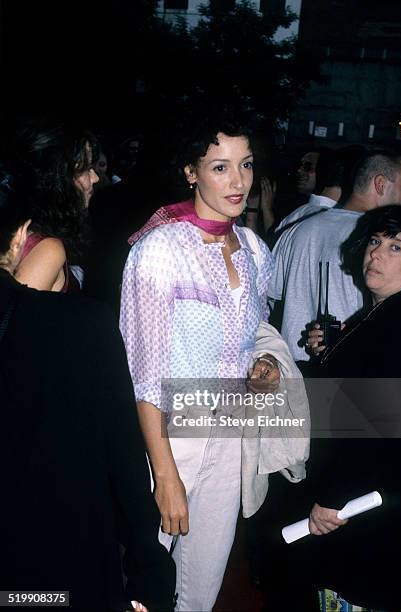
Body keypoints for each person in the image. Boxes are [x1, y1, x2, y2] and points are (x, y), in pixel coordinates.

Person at [119, 116, 284, 611]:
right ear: (191, 173)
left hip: (231, 436)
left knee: (202, 589)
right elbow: (144, 375)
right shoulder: (159, 249)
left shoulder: (256, 251)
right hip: (170, 439)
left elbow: (253, 334)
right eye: (220, 167)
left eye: (246, 165)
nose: (238, 182)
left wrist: (264, 365)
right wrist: (166, 475)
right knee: (139, 588)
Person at [0, 172, 175, 611]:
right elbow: (123, 458)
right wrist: (149, 572)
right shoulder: (85, 326)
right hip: (62, 551)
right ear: (23, 241)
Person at [260, 205, 401, 611]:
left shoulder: (399, 324)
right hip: (368, 496)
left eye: (395, 247)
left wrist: (334, 497)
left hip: (366, 504)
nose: (376, 253)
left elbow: (378, 426)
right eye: (376, 242)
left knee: (352, 591)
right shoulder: (381, 314)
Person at [268, 150, 401, 367]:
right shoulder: (361, 235)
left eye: (394, 247)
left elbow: (270, 297)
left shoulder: (296, 228)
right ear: (381, 184)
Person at [11, 121, 100, 291]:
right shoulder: (48, 250)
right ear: (58, 178)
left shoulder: (21, 230)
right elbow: (16, 316)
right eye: (85, 168)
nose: (95, 178)